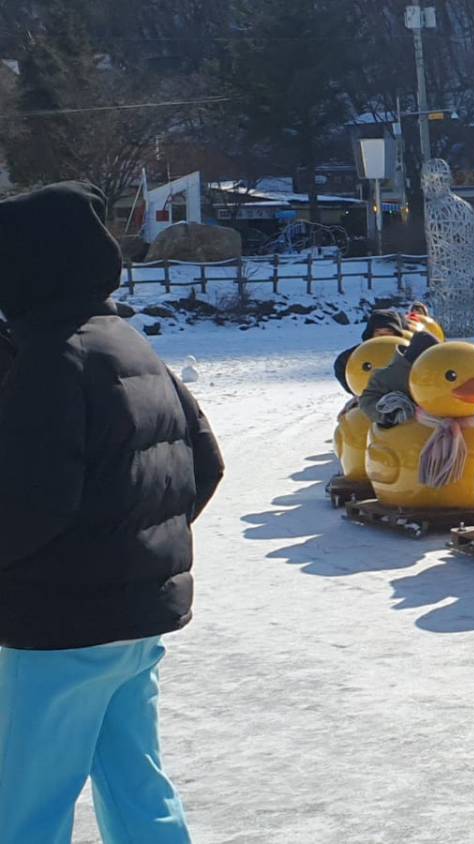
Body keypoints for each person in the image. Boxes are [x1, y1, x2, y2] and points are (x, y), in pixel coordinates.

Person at [0, 182, 225, 843]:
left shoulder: (53, 357)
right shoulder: (129, 342)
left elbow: (29, 500)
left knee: (26, 801)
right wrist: (136, 548)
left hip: (62, 619)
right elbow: (203, 464)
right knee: (135, 782)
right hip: (134, 614)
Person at [358, 329, 440, 427]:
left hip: (430, 427)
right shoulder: (388, 375)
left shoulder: (435, 376)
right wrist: (389, 414)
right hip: (397, 433)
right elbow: (366, 401)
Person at [333, 308, 406, 394]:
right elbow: (340, 364)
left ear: (396, 333)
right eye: (378, 331)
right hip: (371, 395)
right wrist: (356, 390)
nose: (382, 335)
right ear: (371, 333)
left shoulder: (405, 349)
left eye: (389, 331)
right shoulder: (362, 352)